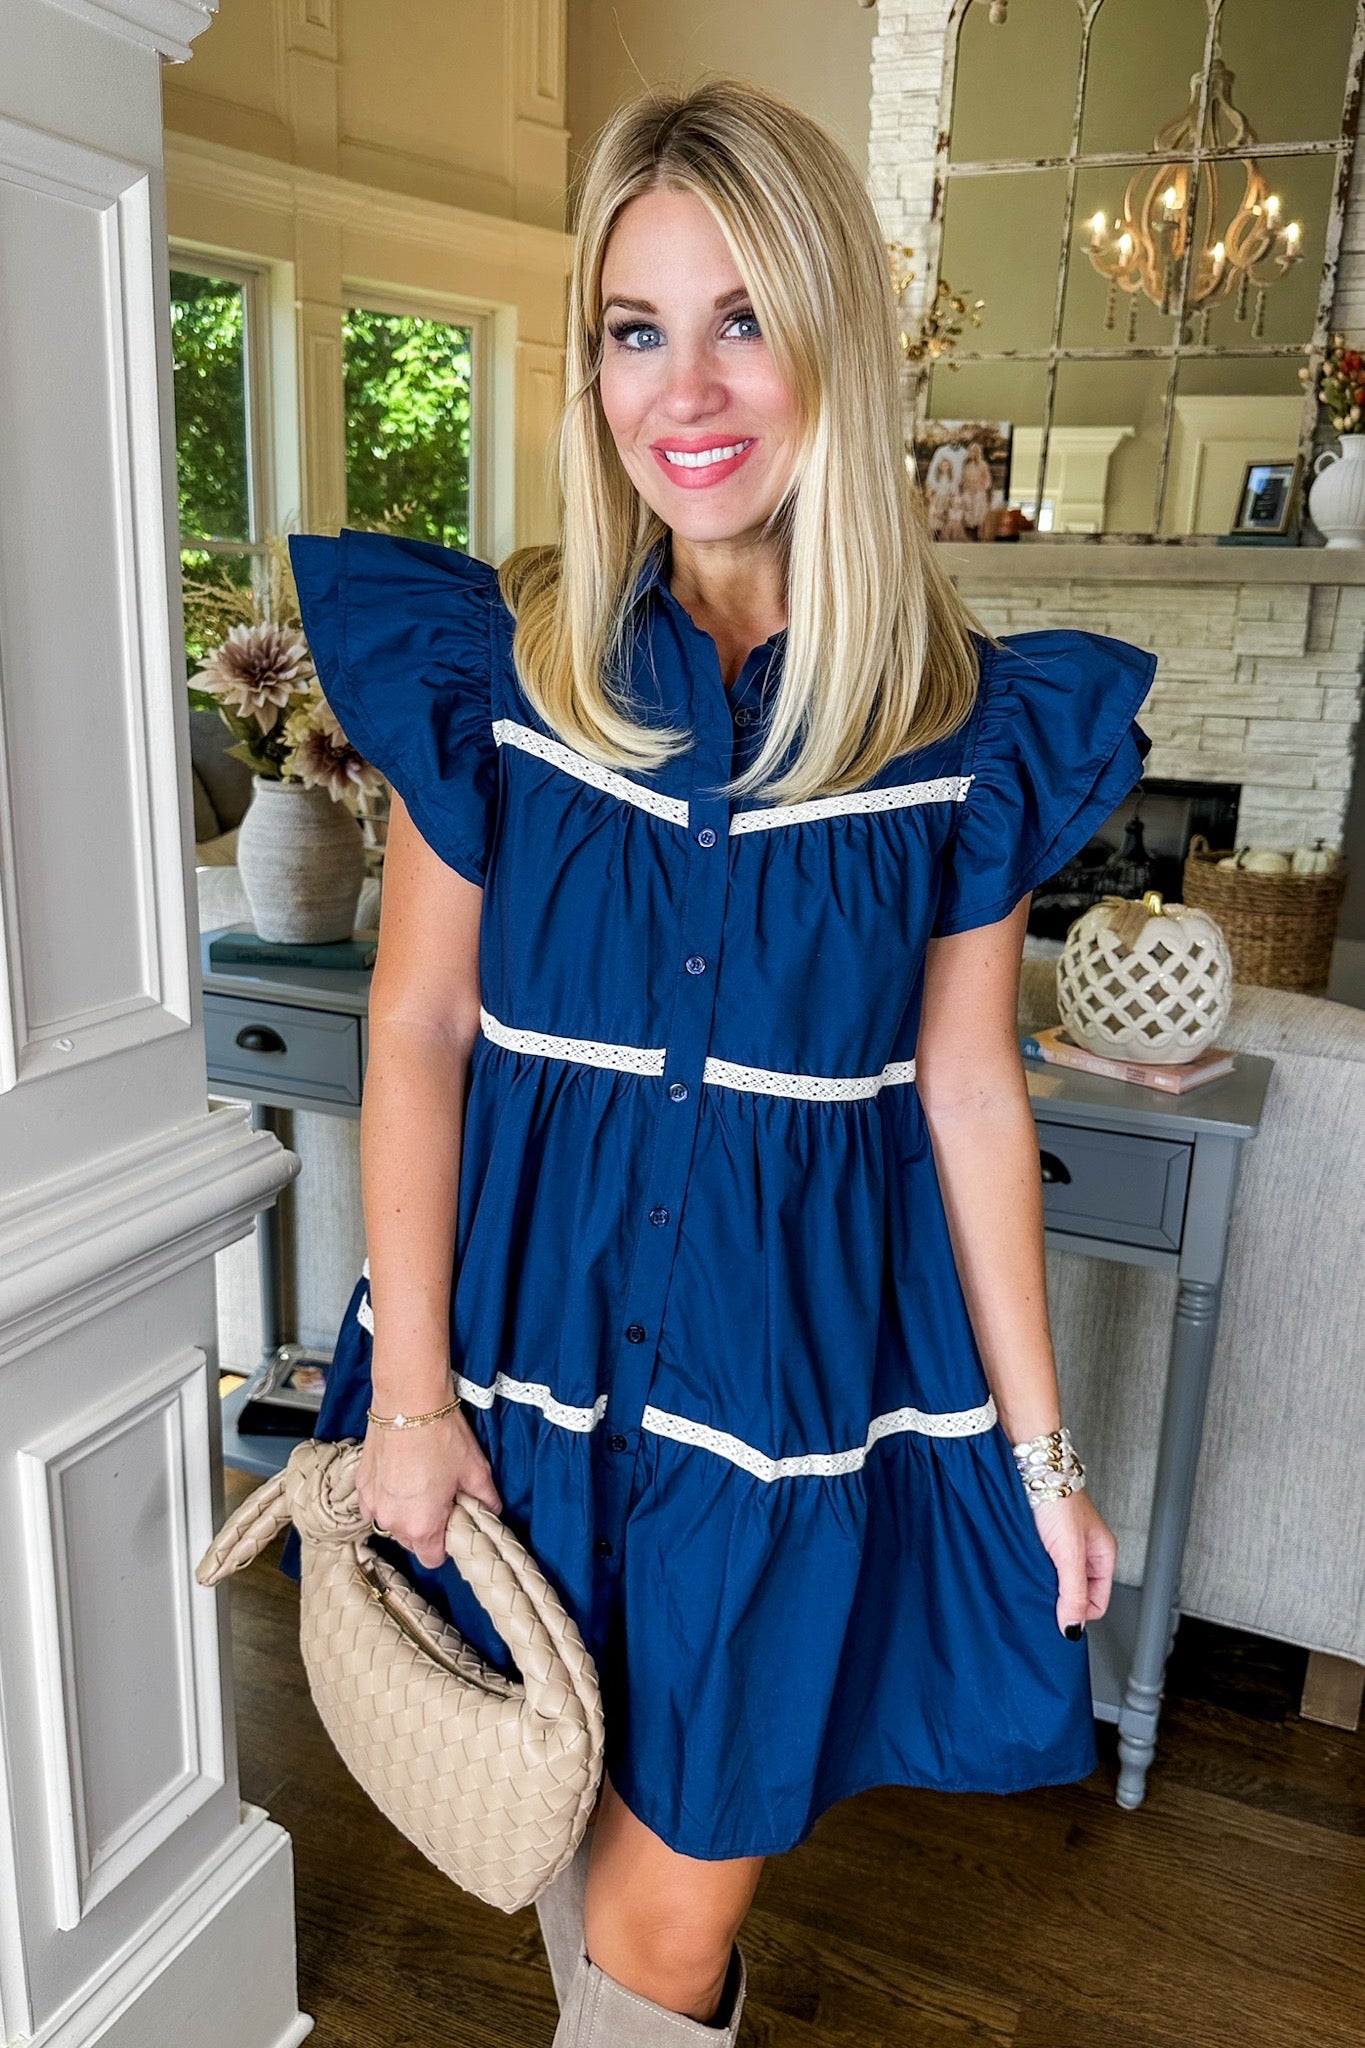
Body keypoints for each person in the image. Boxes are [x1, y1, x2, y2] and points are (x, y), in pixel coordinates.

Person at [287, 74, 1152, 2048]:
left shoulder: (951, 729)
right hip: (521, 1357)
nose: (685, 388)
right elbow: (415, 1026)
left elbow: (962, 1090)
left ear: (830, 338)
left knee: (671, 1902)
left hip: (781, 1392)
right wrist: (410, 1394)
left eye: (742, 316)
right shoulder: (500, 675)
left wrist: (1038, 1457)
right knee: (550, 1804)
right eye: (634, 327)